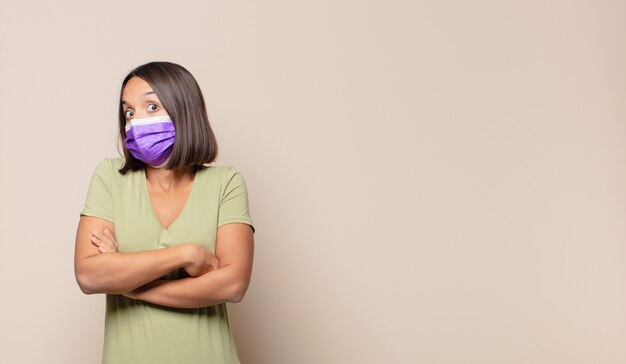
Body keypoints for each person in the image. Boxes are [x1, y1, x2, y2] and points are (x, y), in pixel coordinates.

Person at [74, 61, 255, 364]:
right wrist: (188, 256)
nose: (136, 122)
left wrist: (131, 287)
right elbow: (89, 275)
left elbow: (233, 285)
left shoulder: (226, 183)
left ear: (184, 110)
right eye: (129, 112)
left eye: (152, 107)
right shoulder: (110, 178)